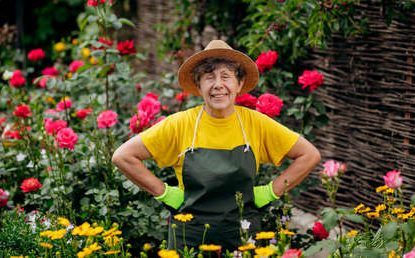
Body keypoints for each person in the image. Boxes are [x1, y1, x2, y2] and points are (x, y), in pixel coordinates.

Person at [112, 40, 321, 252]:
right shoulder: (181, 124)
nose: (218, 84)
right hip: (189, 236)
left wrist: (270, 192)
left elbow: (309, 154)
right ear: (198, 85)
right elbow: (123, 156)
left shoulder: (256, 123)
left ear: (239, 84)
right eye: (209, 77)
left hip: (242, 234)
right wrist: (164, 193)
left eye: (226, 76)